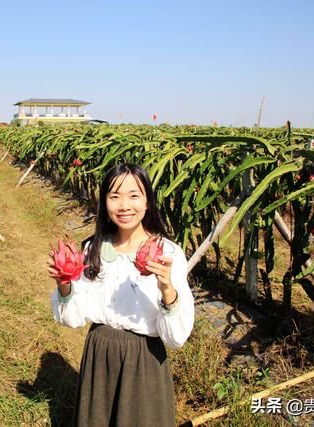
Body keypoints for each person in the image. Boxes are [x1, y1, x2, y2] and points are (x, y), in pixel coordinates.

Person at [48, 163, 195, 426]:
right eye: (114, 196)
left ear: (148, 201)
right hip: (100, 351)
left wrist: (168, 290)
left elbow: (177, 338)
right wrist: (64, 283)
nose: (124, 205)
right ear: (104, 202)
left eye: (134, 195)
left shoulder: (167, 253)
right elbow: (72, 317)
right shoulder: (93, 249)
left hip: (144, 358)